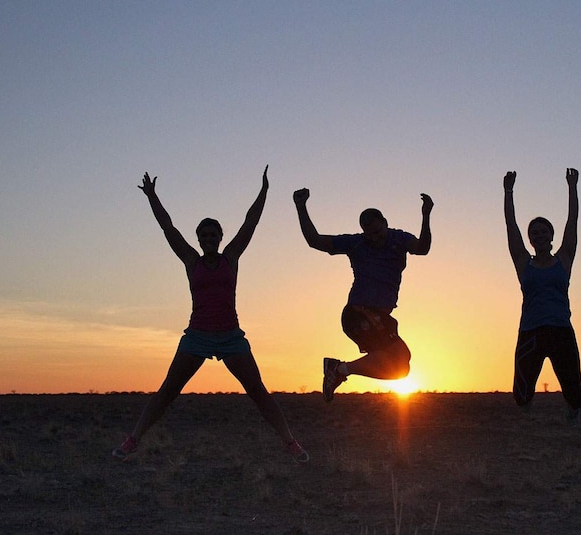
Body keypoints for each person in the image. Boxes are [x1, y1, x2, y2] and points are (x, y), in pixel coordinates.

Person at [112, 167, 308, 463]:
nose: (208, 238)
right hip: (198, 336)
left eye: (213, 234)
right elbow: (168, 228)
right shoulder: (191, 261)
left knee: (258, 391)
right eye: (203, 235)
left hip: (231, 336)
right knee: (167, 392)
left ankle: (289, 441)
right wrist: (152, 196)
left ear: (219, 237)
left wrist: (264, 191)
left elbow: (249, 224)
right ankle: (133, 439)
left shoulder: (231, 257)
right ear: (199, 239)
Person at [293, 188, 433, 402]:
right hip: (359, 313)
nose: (375, 238)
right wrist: (301, 207)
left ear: (385, 222)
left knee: (401, 365)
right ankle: (338, 370)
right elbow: (315, 240)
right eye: (370, 234)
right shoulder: (356, 243)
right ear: (363, 232)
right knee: (398, 358)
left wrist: (426, 215)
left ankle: (339, 369)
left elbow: (422, 248)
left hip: (378, 315)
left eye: (378, 232)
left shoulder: (399, 239)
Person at [503, 168, 581, 424]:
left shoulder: (564, 259)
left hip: (561, 329)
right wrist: (508, 192)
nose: (538, 236)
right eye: (534, 233)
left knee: (572, 385)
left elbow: (573, 221)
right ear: (529, 239)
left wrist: (572, 187)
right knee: (522, 389)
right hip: (531, 331)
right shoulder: (523, 263)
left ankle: (573, 414)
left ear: (551, 236)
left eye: (543, 232)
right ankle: (526, 420)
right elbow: (511, 226)